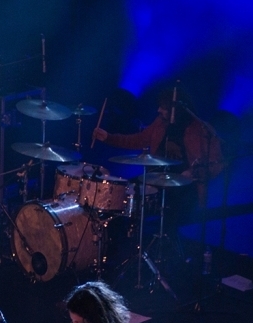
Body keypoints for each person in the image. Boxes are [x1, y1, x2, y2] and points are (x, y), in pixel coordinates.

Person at [93, 87, 224, 239]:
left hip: (184, 188)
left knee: (170, 222)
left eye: (164, 107)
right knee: (123, 193)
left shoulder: (199, 130)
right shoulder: (161, 123)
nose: (159, 110)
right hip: (156, 179)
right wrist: (109, 137)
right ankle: (121, 241)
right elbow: (139, 139)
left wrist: (193, 173)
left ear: (176, 110)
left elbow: (216, 164)